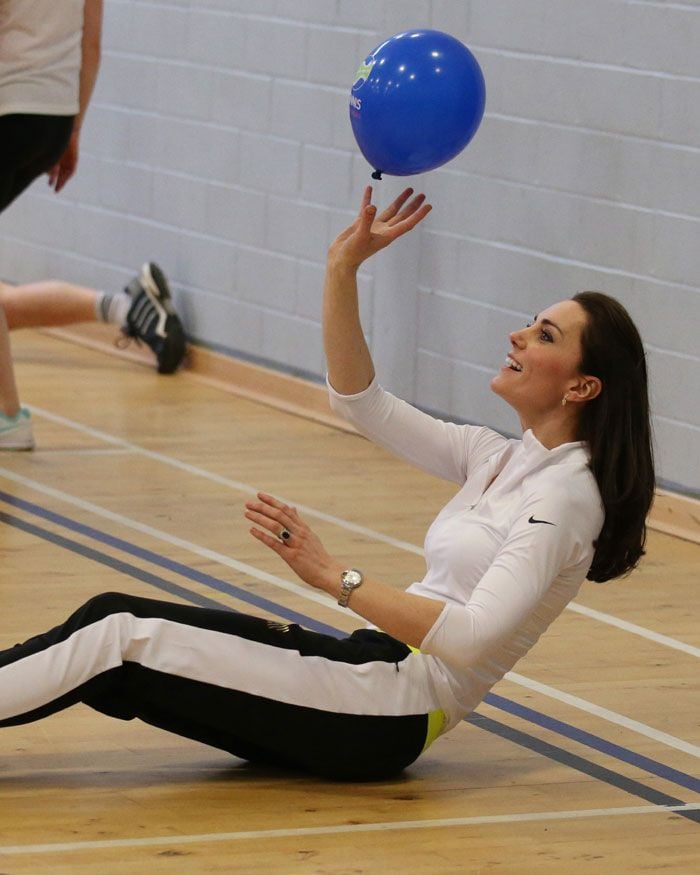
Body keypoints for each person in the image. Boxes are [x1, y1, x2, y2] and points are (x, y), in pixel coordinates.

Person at [0, 188, 655, 781]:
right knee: (115, 636)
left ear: (581, 386)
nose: (517, 334)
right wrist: (342, 270)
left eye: (544, 335)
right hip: (367, 676)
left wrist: (335, 575)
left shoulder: (567, 497)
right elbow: (358, 401)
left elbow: (473, 636)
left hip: (388, 705)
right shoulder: (497, 456)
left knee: (119, 628)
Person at [0, 0, 185, 451]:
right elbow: (92, 42)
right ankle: (122, 307)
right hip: (53, 118)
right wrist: (73, 130)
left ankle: (8, 417)